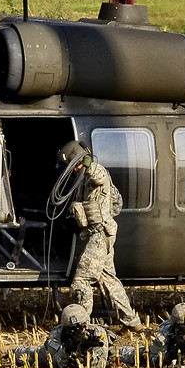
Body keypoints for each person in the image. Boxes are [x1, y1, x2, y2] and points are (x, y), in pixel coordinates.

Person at [59, 141, 143, 330]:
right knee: (108, 280)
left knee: (82, 280)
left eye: (76, 165)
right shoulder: (83, 180)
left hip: (100, 234)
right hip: (99, 234)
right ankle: (132, 322)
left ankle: (81, 326)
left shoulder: (97, 171)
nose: (74, 170)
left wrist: (84, 161)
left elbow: (96, 173)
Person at [10, 303, 119, 368]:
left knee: (122, 353)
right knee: (30, 354)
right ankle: (11, 350)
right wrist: (66, 350)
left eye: (82, 327)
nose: (79, 331)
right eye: (73, 329)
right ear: (65, 328)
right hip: (60, 354)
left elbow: (99, 366)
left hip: (84, 357)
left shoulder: (97, 333)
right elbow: (56, 364)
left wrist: (87, 355)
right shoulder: (57, 334)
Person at [123, 303, 185, 368]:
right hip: (168, 353)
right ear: (174, 324)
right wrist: (171, 354)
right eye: (181, 326)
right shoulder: (165, 330)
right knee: (141, 354)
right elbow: (154, 358)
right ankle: (118, 352)